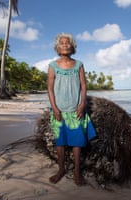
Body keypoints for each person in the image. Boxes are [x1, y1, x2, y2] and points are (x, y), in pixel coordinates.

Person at [47, 32, 96, 185]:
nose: (65, 45)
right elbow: (50, 88)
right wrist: (54, 108)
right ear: (57, 47)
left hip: (76, 109)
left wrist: (82, 104)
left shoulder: (79, 64)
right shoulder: (52, 66)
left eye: (68, 43)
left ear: (72, 46)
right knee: (60, 142)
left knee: (77, 142)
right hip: (59, 110)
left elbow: (83, 85)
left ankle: (76, 172)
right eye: (62, 43)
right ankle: (61, 169)